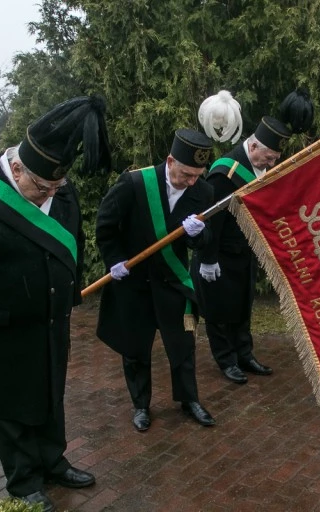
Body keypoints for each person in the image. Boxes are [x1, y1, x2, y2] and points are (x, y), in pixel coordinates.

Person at [0, 96, 111, 512]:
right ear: (15, 168)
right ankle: (23, 479)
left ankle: (53, 460)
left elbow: (71, 243)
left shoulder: (62, 192)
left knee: (50, 394)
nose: (48, 195)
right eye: (41, 187)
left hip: (49, 322)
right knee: (10, 407)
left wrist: (69, 296)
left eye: (55, 187)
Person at [96, 128, 216, 432]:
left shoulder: (203, 192)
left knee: (183, 343)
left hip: (173, 284)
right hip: (133, 283)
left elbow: (202, 242)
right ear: (170, 160)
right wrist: (114, 261)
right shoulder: (134, 183)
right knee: (135, 348)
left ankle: (190, 400)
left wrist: (198, 235)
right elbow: (106, 225)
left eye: (196, 175)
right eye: (186, 174)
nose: (191, 182)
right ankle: (140, 405)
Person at [190, 116, 292, 384]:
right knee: (220, 309)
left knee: (243, 305)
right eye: (268, 157)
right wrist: (209, 260)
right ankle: (226, 359)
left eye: (275, 159)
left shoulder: (261, 164)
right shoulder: (227, 172)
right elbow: (212, 219)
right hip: (220, 255)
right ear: (254, 146)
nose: (271, 164)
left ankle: (244, 354)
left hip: (244, 251)